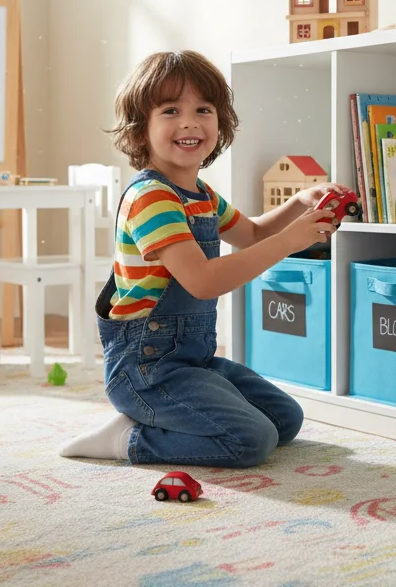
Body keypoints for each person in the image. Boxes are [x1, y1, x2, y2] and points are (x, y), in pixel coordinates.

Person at [59, 50, 349, 467]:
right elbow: (203, 281)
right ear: (141, 131)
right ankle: (129, 438)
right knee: (250, 441)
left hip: (192, 359)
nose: (190, 121)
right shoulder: (152, 198)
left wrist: (299, 202)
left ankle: (171, 415)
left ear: (220, 123)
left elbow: (251, 234)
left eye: (203, 109)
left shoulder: (203, 195)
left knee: (285, 420)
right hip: (147, 369)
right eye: (171, 110)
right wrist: (290, 241)